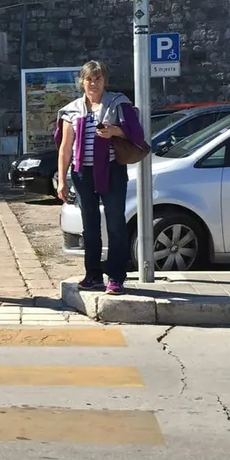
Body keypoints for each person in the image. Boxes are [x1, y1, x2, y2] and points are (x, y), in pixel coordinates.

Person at [55, 60, 147, 296]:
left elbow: (137, 133)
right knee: (90, 227)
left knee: (116, 223)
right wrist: (63, 180)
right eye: (89, 79)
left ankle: (116, 277)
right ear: (81, 82)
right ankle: (93, 274)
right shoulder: (71, 110)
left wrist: (114, 131)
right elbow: (65, 147)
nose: (93, 83)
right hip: (82, 174)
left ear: (105, 81)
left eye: (98, 78)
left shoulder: (118, 103)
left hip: (112, 169)